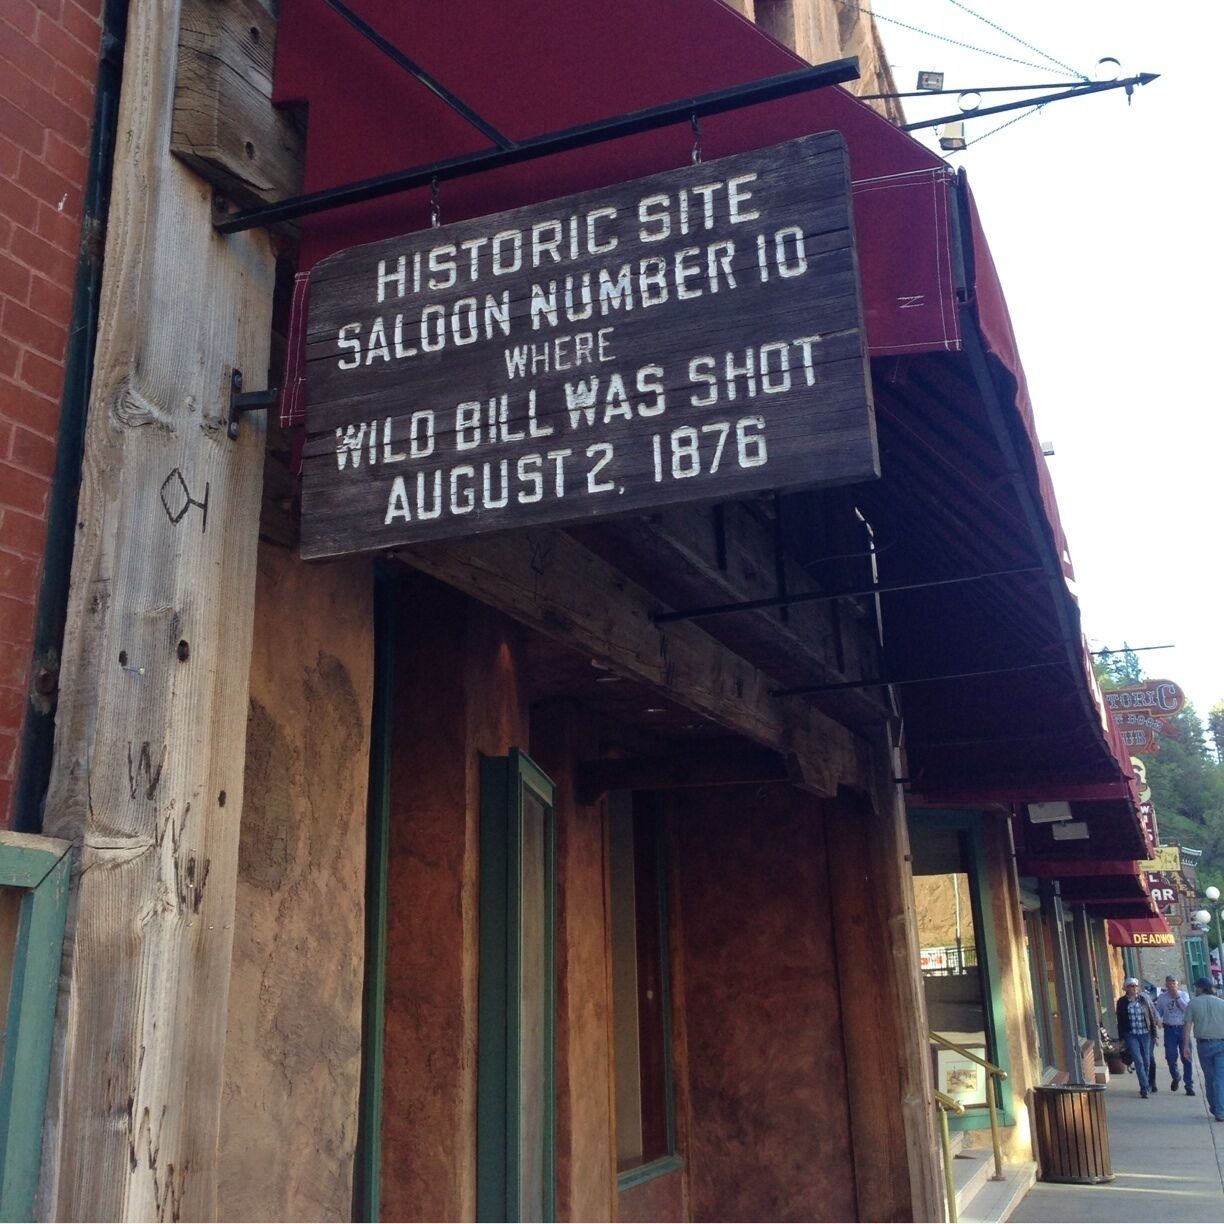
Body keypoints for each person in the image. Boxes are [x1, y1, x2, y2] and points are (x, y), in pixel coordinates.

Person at [1183, 978, 1224, 1122]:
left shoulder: (1193, 1003)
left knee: (1210, 1077)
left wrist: (1186, 1046)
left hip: (1204, 1045)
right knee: (1220, 1078)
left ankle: (1215, 1107)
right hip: (1221, 1043)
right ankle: (1220, 1110)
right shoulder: (1221, 1003)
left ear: (1201, 988)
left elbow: (1187, 1026)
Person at [1117, 977, 1159, 1098]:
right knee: (1138, 1061)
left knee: (1146, 1060)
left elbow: (1150, 1018)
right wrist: (1121, 1039)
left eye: (1135, 986)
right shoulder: (1122, 1002)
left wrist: (1154, 1035)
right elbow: (1120, 1021)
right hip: (1131, 1035)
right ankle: (1144, 1087)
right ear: (1126, 988)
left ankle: (1145, 1084)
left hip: (1145, 1034)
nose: (1134, 988)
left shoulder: (1144, 999)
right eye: (1131, 986)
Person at [1155, 974, 1195, 1094]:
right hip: (1170, 1029)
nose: (1172, 986)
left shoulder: (1184, 995)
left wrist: (1177, 997)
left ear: (1177, 984)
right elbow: (1157, 1011)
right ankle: (1176, 1076)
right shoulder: (1162, 997)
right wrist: (1158, 1019)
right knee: (1171, 1057)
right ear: (1166, 985)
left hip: (1183, 1028)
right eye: (1169, 984)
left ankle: (1189, 1085)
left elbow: (1187, 1009)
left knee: (1186, 1057)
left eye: (1174, 984)